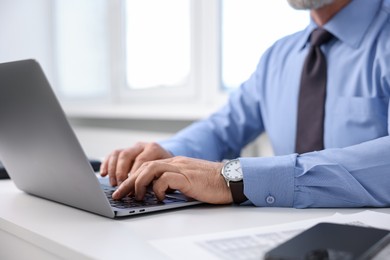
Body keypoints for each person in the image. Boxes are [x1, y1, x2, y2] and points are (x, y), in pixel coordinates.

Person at [100, 0, 390, 208]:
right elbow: (224, 126)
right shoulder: (279, 56)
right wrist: (168, 153)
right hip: (281, 230)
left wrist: (234, 178)